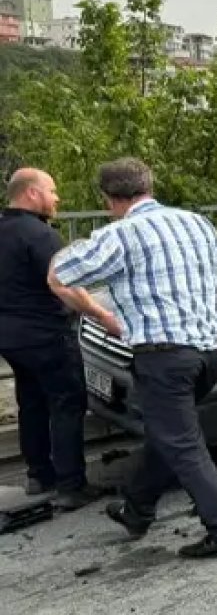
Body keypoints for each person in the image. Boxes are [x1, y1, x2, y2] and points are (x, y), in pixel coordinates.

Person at [48, 158, 217, 559]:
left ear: (108, 199)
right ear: (149, 186)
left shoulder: (119, 234)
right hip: (206, 352)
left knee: (183, 442)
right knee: (169, 434)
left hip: (163, 358)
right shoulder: (197, 223)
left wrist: (102, 315)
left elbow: (57, 276)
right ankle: (137, 509)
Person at [0, 169, 103, 510]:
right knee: (67, 402)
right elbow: (66, 284)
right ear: (32, 194)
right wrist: (98, 313)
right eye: (52, 190)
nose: (57, 198)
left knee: (31, 401)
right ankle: (71, 485)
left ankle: (38, 475)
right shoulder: (40, 236)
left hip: (11, 338)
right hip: (46, 335)